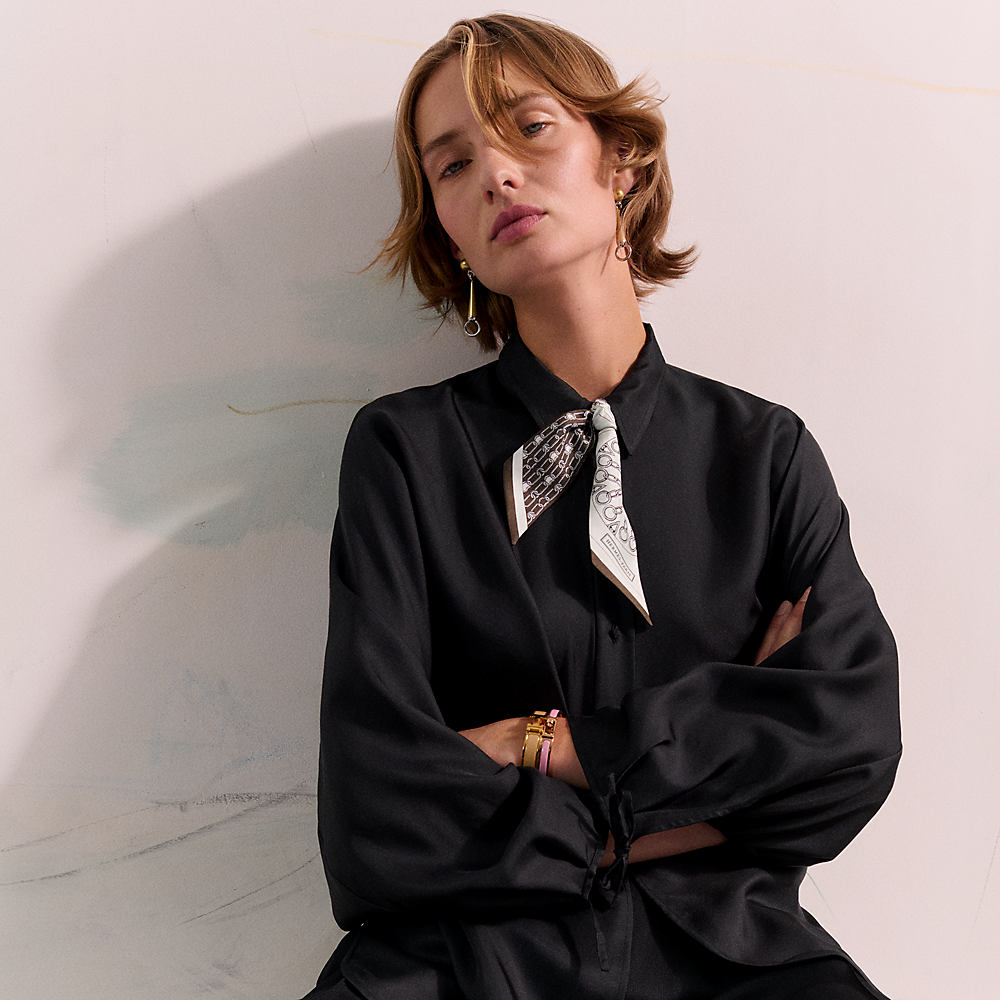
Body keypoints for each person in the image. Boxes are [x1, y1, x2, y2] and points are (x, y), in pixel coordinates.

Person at [301, 14, 901, 1000]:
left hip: (736, 959)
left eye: (529, 128)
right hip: (462, 966)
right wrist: (704, 780)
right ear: (447, 232)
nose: (496, 175)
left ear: (620, 158)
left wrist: (533, 746)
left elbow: (844, 747)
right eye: (452, 165)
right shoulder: (404, 452)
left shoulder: (761, 452)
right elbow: (376, 808)